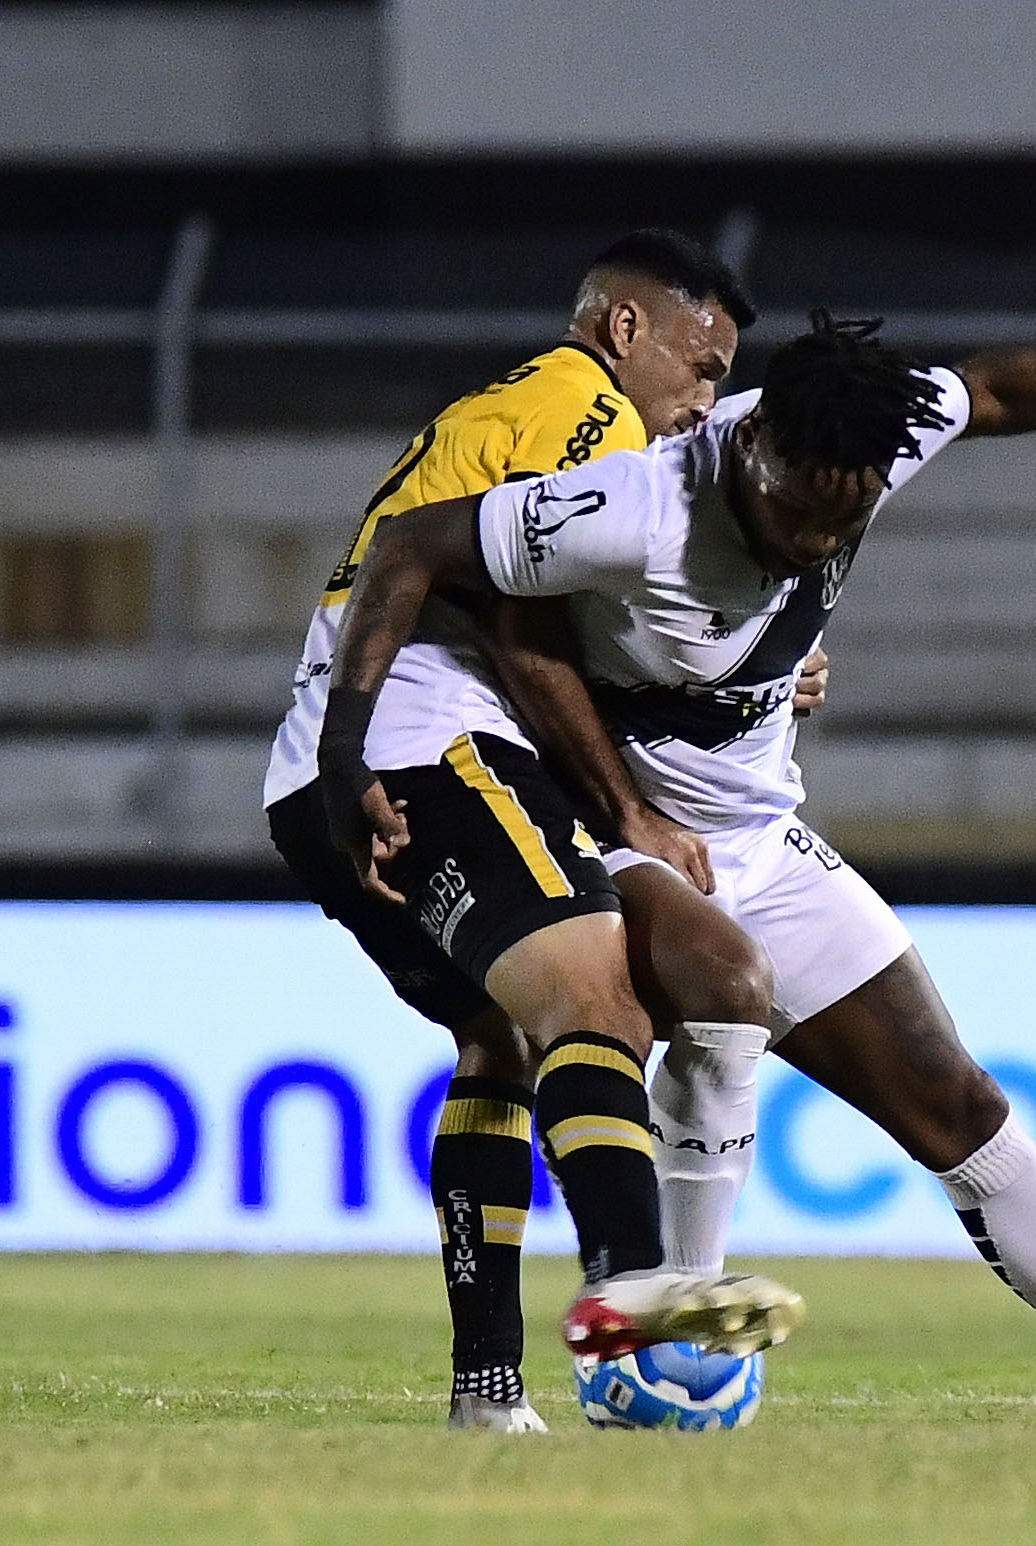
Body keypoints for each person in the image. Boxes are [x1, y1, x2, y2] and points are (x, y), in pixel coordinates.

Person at [317, 304, 1036, 1431]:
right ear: (755, 448)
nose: (817, 537)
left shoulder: (868, 439)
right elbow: (428, 553)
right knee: (723, 980)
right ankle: (664, 1344)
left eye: (843, 516)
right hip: (621, 827)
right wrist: (363, 752)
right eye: (799, 509)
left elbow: (1000, 385)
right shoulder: (635, 508)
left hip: (761, 833)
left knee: (958, 1104)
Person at [264, 230, 806, 1433]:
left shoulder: (507, 404)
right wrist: (629, 812)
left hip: (319, 768)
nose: (704, 399)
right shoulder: (587, 418)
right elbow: (526, 640)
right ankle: (638, 1313)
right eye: (701, 364)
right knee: (597, 1005)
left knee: (498, 1041)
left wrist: (750, 676)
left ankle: (488, 1392)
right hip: (428, 744)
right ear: (624, 331)